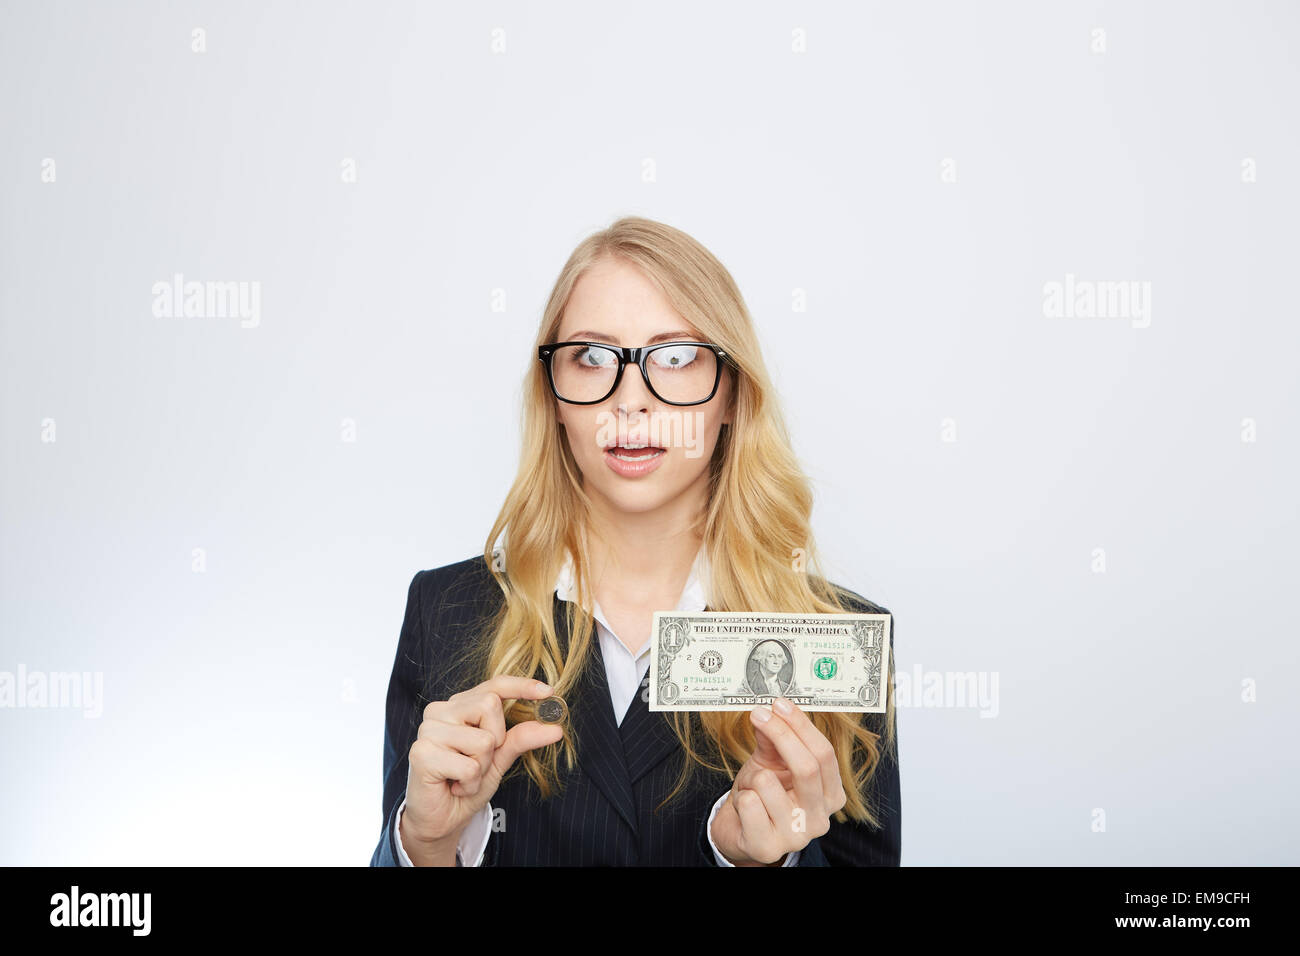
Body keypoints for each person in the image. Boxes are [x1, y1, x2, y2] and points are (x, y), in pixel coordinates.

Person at [369, 216, 900, 867]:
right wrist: (423, 845)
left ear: (731, 392)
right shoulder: (445, 611)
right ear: (555, 396)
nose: (630, 401)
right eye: (592, 358)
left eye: (674, 357)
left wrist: (757, 862)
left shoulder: (834, 639)